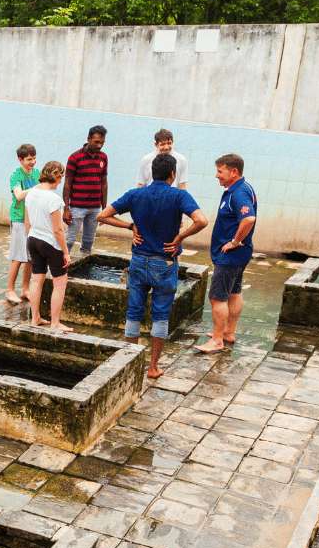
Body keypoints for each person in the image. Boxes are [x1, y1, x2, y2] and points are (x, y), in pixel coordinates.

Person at [97, 152, 207, 380]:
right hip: (164, 263)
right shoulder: (179, 196)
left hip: (138, 260)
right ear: (172, 174)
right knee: (160, 315)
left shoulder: (135, 194)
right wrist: (179, 238)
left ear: (151, 173)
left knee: (134, 312)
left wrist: (130, 227)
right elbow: (201, 221)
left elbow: (103, 216)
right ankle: (153, 367)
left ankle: (129, 364)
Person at [198, 153, 258, 354]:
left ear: (234, 172)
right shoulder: (242, 188)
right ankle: (228, 332)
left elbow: (248, 219)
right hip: (240, 254)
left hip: (231, 255)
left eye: (220, 171)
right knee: (234, 292)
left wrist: (235, 241)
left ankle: (216, 340)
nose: (217, 176)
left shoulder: (238, 192)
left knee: (217, 297)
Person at [23, 161, 71, 331]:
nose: (60, 182)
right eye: (61, 178)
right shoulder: (54, 199)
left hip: (33, 239)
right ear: (56, 176)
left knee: (36, 280)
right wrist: (66, 252)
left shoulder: (31, 193)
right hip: (50, 243)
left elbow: (27, 222)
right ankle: (55, 323)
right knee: (60, 283)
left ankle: (35, 318)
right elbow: (58, 229)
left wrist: (29, 237)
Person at [61, 125, 108, 255]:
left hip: (95, 208)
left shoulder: (103, 157)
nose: (99, 145)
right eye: (96, 142)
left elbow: (104, 183)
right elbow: (67, 184)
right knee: (69, 240)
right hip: (77, 207)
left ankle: (83, 268)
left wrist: (105, 209)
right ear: (88, 139)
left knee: (88, 242)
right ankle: (59, 269)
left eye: (102, 142)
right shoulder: (75, 157)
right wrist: (66, 208)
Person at [4, 144, 37, 304]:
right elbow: (18, 196)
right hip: (19, 219)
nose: (33, 162)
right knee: (18, 256)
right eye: (29, 159)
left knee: (30, 257)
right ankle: (9, 290)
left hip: (33, 220)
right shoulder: (16, 176)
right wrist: (38, 188)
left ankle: (25, 289)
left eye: (34, 158)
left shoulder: (36, 173)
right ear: (20, 159)